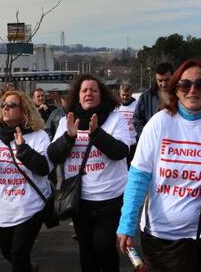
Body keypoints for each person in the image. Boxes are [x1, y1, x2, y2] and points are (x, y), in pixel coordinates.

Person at [117, 59, 201, 271]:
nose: (192, 90)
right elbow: (138, 178)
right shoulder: (159, 124)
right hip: (163, 238)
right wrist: (127, 224)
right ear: (176, 89)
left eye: (200, 84)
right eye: (185, 84)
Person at [47, 74, 131, 272]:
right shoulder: (67, 121)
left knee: (103, 246)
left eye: (94, 90)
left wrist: (96, 134)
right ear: (78, 95)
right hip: (80, 198)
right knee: (86, 251)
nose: (89, 94)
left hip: (109, 196)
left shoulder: (114, 118)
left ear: (101, 95)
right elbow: (53, 155)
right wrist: (68, 137)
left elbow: (121, 151)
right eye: (84, 90)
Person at [0, 90, 52, 272]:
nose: (6, 108)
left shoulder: (38, 136)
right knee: (7, 251)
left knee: (18, 254)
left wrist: (23, 149)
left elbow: (44, 168)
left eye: (11, 105)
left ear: (24, 109)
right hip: (3, 207)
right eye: (3, 105)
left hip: (30, 206)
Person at [133, 62, 174, 140]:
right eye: (160, 80)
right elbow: (137, 120)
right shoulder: (145, 97)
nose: (163, 84)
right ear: (156, 78)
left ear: (173, 77)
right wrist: (147, 136)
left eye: (167, 80)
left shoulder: (181, 97)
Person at [118, 81, 138, 166]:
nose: (125, 97)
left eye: (127, 95)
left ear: (131, 93)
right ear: (120, 93)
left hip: (134, 143)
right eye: (123, 95)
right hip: (121, 142)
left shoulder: (137, 105)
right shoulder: (117, 106)